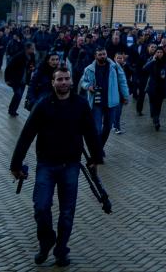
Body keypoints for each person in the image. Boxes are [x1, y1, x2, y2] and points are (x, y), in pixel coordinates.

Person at [10, 65, 103, 267]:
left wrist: (96, 157)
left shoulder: (79, 104)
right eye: (59, 79)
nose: (63, 82)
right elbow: (26, 135)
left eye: (66, 78)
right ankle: (47, 240)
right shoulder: (43, 105)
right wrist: (15, 164)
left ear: (71, 81)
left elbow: (90, 132)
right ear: (53, 82)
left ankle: (61, 249)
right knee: (41, 207)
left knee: (67, 212)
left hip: (70, 165)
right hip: (46, 164)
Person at [79, 48, 130, 148]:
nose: (103, 56)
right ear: (95, 56)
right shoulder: (89, 69)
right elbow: (83, 82)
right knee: (97, 129)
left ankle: (99, 147)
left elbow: (122, 81)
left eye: (104, 54)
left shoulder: (114, 67)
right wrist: (88, 86)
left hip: (111, 102)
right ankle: (97, 150)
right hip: (96, 102)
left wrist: (125, 96)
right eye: (100, 55)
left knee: (107, 128)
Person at [5, 43, 37, 117]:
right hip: (16, 79)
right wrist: (7, 79)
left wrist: (33, 67)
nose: (33, 50)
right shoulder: (19, 56)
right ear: (27, 49)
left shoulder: (32, 55)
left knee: (19, 95)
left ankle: (13, 110)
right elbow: (9, 67)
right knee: (18, 94)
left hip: (24, 79)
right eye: (32, 48)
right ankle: (11, 109)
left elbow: (33, 64)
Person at [142, 48, 166, 131]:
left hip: (161, 86)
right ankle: (154, 116)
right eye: (157, 52)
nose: (159, 53)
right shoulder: (152, 60)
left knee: (159, 103)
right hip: (152, 86)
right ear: (155, 53)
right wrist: (152, 61)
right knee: (152, 102)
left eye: (161, 52)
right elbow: (144, 68)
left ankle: (156, 120)